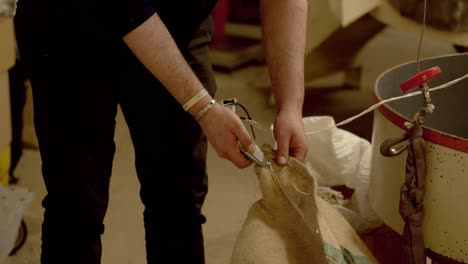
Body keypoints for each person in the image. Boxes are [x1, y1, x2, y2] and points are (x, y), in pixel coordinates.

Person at [13, 0, 309, 263]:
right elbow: (125, 8)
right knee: (76, 208)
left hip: (176, 22)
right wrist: (202, 107)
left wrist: (290, 105)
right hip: (70, 22)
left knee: (177, 201)